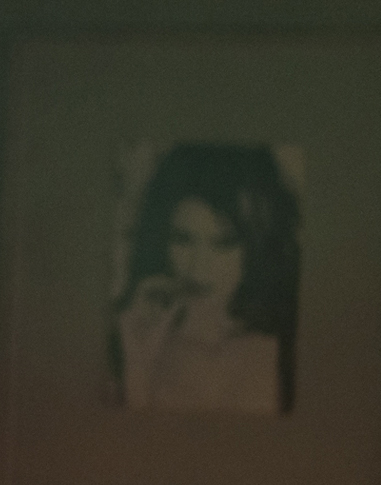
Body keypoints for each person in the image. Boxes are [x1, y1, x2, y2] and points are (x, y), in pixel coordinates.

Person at [113, 143, 300, 414]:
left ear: (257, 246)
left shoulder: (284, 348)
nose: (199, 267)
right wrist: (137, 367)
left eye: (224, 243)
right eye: (182, 239)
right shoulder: (131, 339)